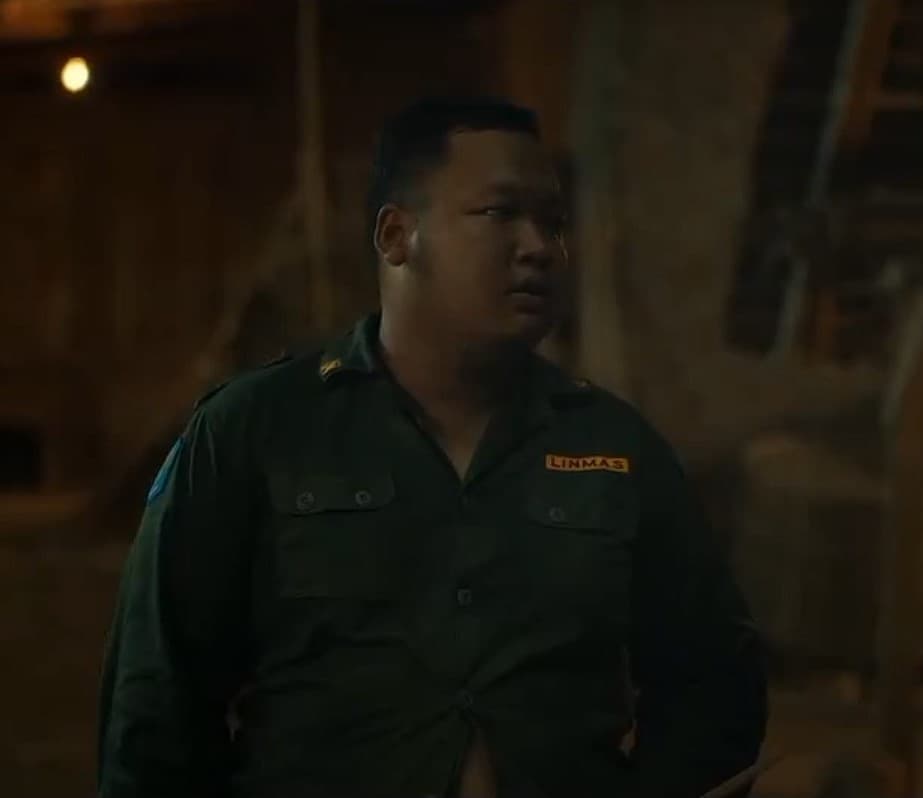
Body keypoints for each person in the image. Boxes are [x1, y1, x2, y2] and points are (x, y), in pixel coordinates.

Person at [98, 97, 767, 798]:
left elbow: (715, 681)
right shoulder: (253, 432)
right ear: (396, 236)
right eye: (500, 213)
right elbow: (155, 708)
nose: (540, 247)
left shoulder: (616, 448)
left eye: (552, 222)